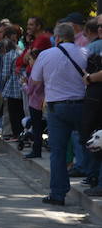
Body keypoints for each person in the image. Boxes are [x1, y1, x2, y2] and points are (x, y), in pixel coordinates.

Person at [29, 23, 87, 206]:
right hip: (81, 105)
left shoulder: (46, 55)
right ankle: (93, 177)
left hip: (56, 106)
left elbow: (35, 81)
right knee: (88, 144)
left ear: (58, 38)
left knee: (58, 151)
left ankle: (58, 193)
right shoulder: (84, 53)